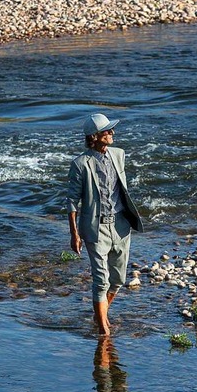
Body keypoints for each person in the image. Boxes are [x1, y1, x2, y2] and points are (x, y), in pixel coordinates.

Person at [66, 113, 143, 336]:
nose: (112, 133)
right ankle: (103, 332)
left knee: (118, 280)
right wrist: (74, 234)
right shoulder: (80, 164)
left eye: (111, 130)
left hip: (120, 225)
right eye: (107, 131)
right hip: (95, 228)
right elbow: (72, 200)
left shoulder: (119, 155)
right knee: (101, 281)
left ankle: (100, 313)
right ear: (95, 136)